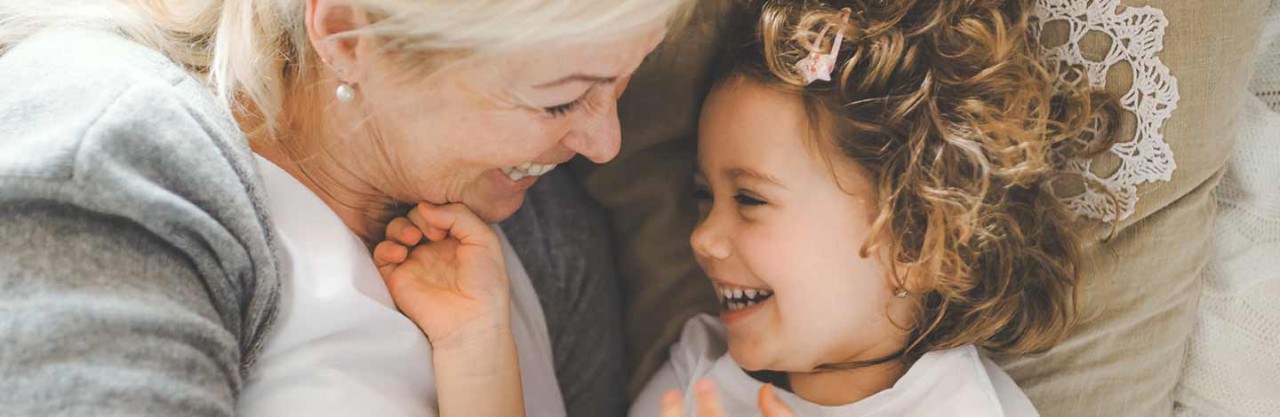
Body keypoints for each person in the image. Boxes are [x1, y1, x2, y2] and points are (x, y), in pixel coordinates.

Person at [372, 0, 1116, 415]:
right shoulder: (700, 371)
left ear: (920, 239)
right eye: (704, 198)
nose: (703, 236)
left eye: (749, 199)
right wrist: (476, 346)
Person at [0, 0, 689, 416]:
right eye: (561, 99)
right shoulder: (118, 159)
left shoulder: (546, 231)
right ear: (351, 34)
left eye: (623, 83)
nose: (605, 143)